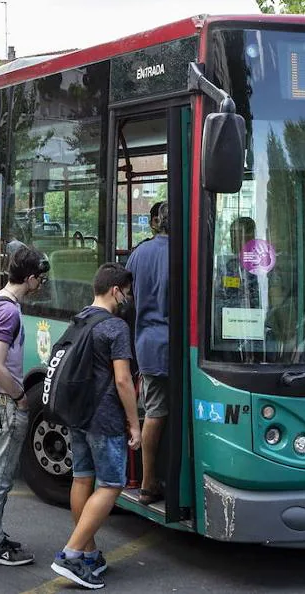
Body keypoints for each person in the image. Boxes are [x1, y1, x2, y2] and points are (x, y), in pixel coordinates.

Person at [50, 264, 140, 590]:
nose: (128, 299)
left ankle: (88, 554)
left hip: (77, 414)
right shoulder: (116, 327)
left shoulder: (81, 318)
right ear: (116, 290)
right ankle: (72, 555)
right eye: (127, 293)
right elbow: (123, 379)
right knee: (111, 485)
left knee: (82, 478)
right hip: (105, 419)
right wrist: (135, 424)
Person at [0, 245, 49, 566]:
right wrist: (19, 397)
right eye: (41, 280)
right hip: (3, 403)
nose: (41, 285)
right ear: (30, 279)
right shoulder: (8, 310)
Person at [124, 201, 171, 505]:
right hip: (174, 345)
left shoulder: (138, 254)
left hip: (147, 345)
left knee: (155, 410)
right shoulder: (183, 253)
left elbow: (125, 299)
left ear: (156, 223)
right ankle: (149, 483)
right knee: (158, 413)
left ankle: (147, 480)